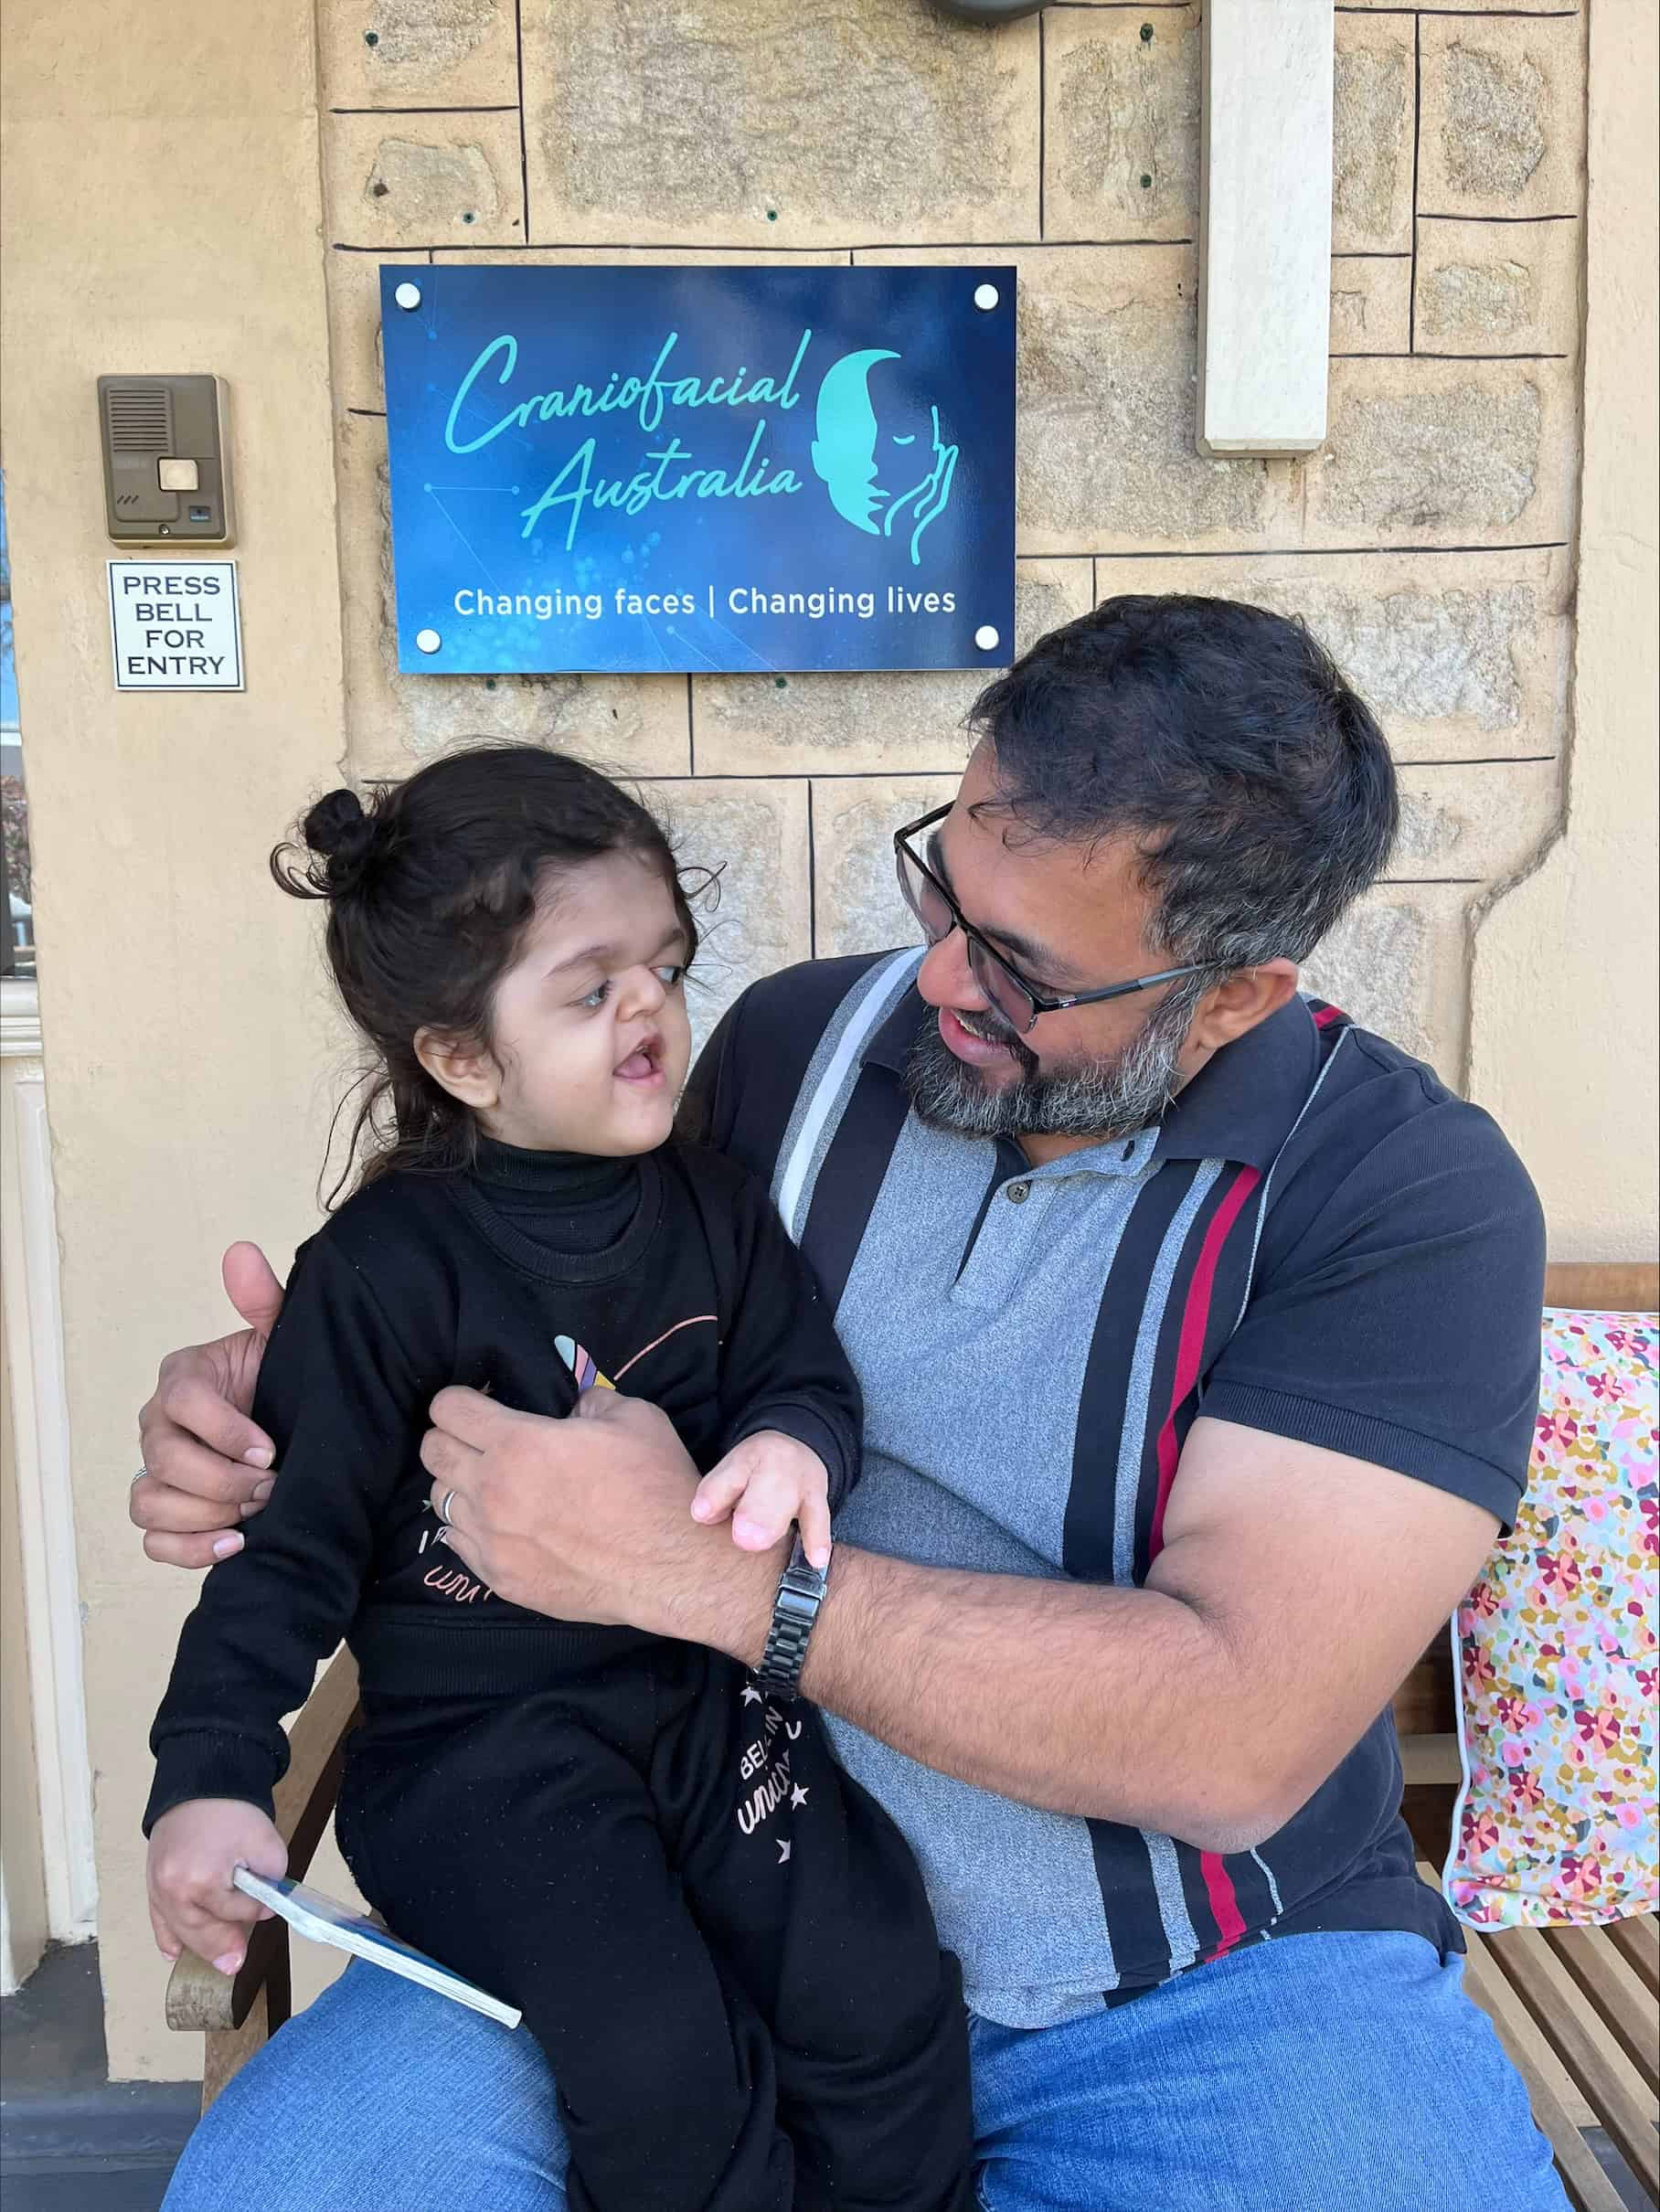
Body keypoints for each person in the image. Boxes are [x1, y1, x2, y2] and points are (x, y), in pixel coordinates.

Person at [135, 597, 1570, 2212]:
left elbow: (1231, 1734)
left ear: (1232, 995)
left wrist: (709, 1578)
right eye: (943, 887)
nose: (939, 974)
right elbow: (533, 1290)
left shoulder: (1397, 1195)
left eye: (1021, 967)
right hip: (657, 1877)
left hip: (1188, 1994)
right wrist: (273, 1398)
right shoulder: (796, 1047)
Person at [143, 746, 974, 2212]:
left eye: (663, 963)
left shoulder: (714, 1206)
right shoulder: (382, 1273)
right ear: (461, 1058)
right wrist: (207, 1782)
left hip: (709, 1703)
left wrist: (791, 1446)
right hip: (487, 1765)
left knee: (879, 1980)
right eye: (589, 991)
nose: (649, 1007)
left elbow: (800, 1375)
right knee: (660, 2059)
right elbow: (288, 1560)